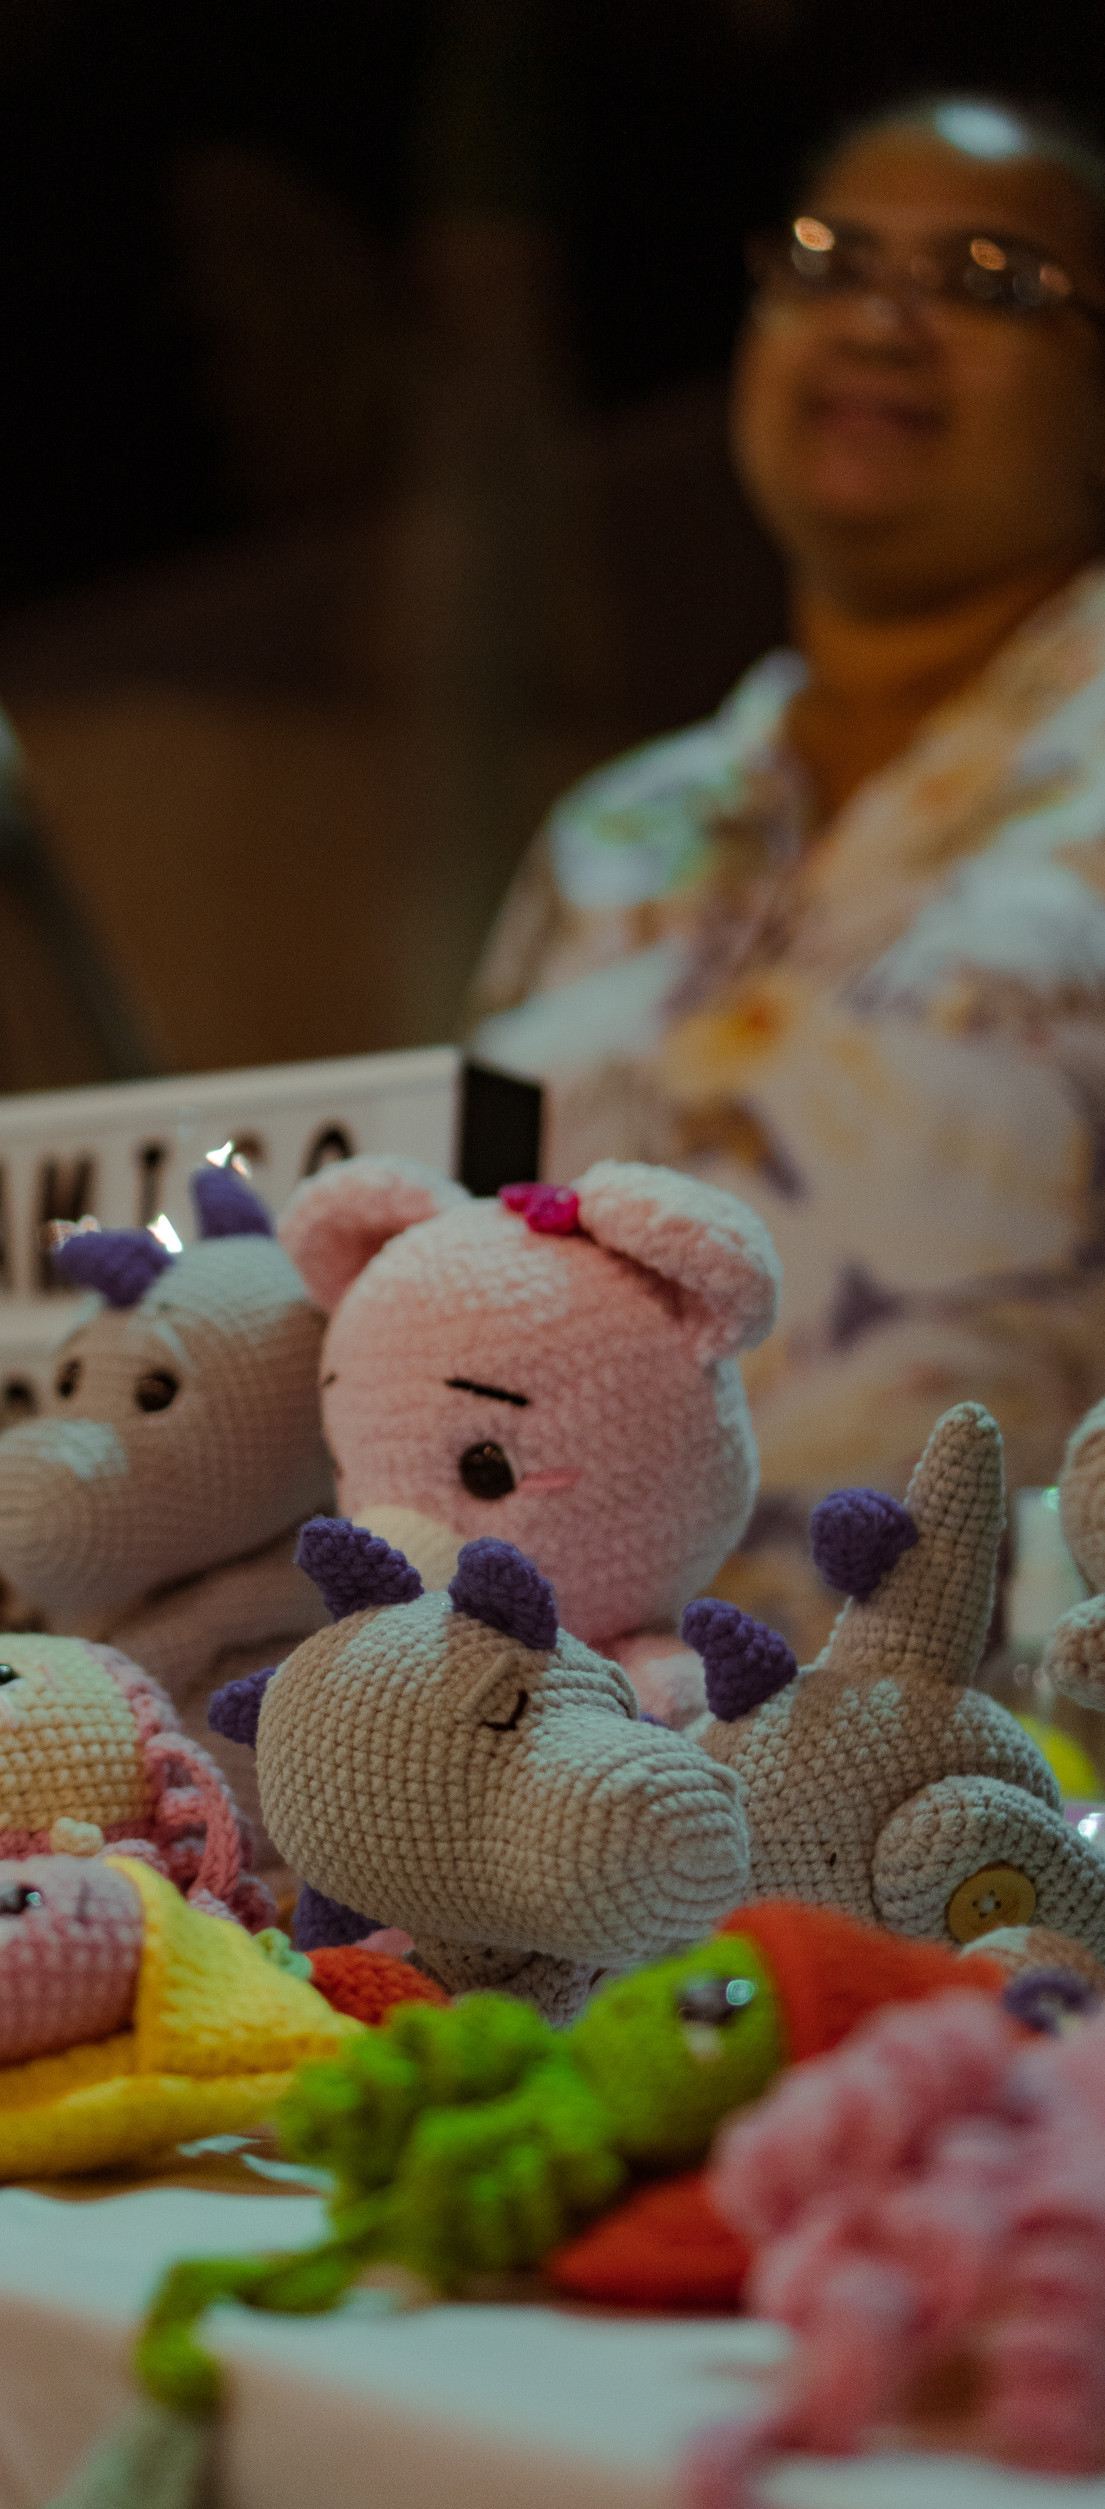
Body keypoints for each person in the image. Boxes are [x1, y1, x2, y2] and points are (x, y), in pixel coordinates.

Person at [470, 92, 1105, 1652]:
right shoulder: (615, 835)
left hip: (1004, 1754)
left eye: (987, 279)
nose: (882, 322)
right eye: (829, 263)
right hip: (565, 1739)